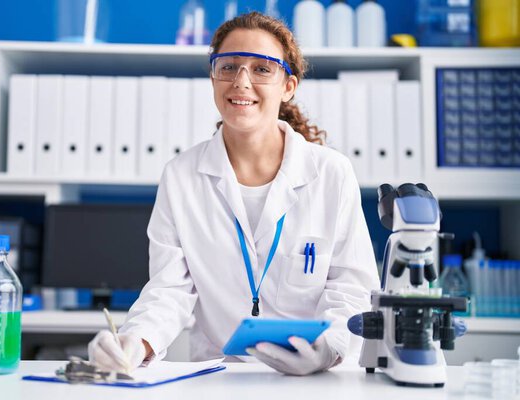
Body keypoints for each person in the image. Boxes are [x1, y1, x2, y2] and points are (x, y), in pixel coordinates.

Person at [88, 11, 380, 376]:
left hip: (319, 380)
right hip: (220, 377)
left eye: (262, 68)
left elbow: (351, 287)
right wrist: (136, 341)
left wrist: (328, 349)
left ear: (288, 86)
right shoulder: (182, 176)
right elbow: (169, 289)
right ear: (213, 76)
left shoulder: (330, 173)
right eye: (228, 66)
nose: (241, 81)